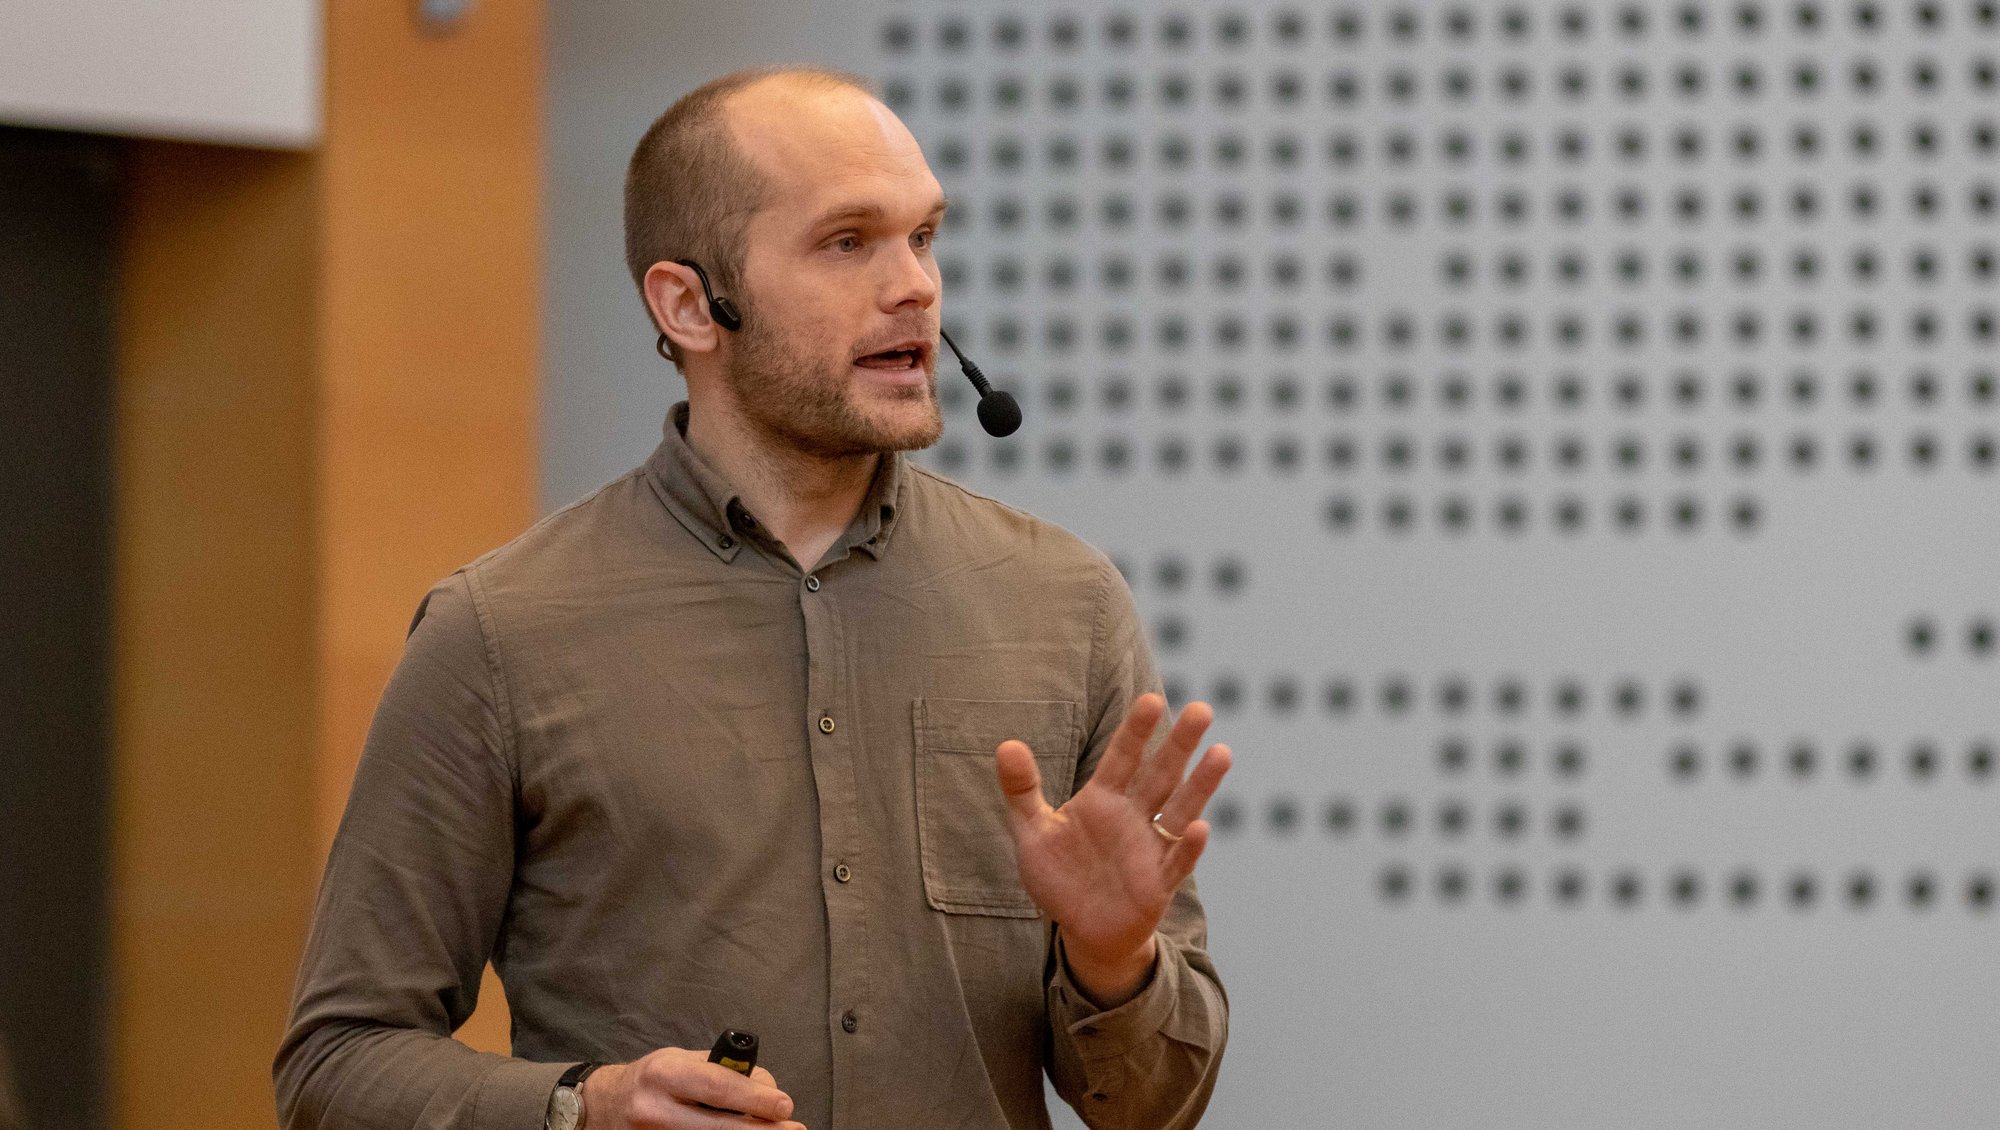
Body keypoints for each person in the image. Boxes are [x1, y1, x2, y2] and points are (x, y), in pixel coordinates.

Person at [274, 67, 1231, 1130]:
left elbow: (1153, 1104)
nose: (914, 286)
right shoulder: (498, 633)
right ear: (688, 304)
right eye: (847, 242)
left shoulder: (1065, 604)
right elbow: (335, 1065)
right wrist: (580, 1107)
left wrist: (1111, 960)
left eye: (925, 237)